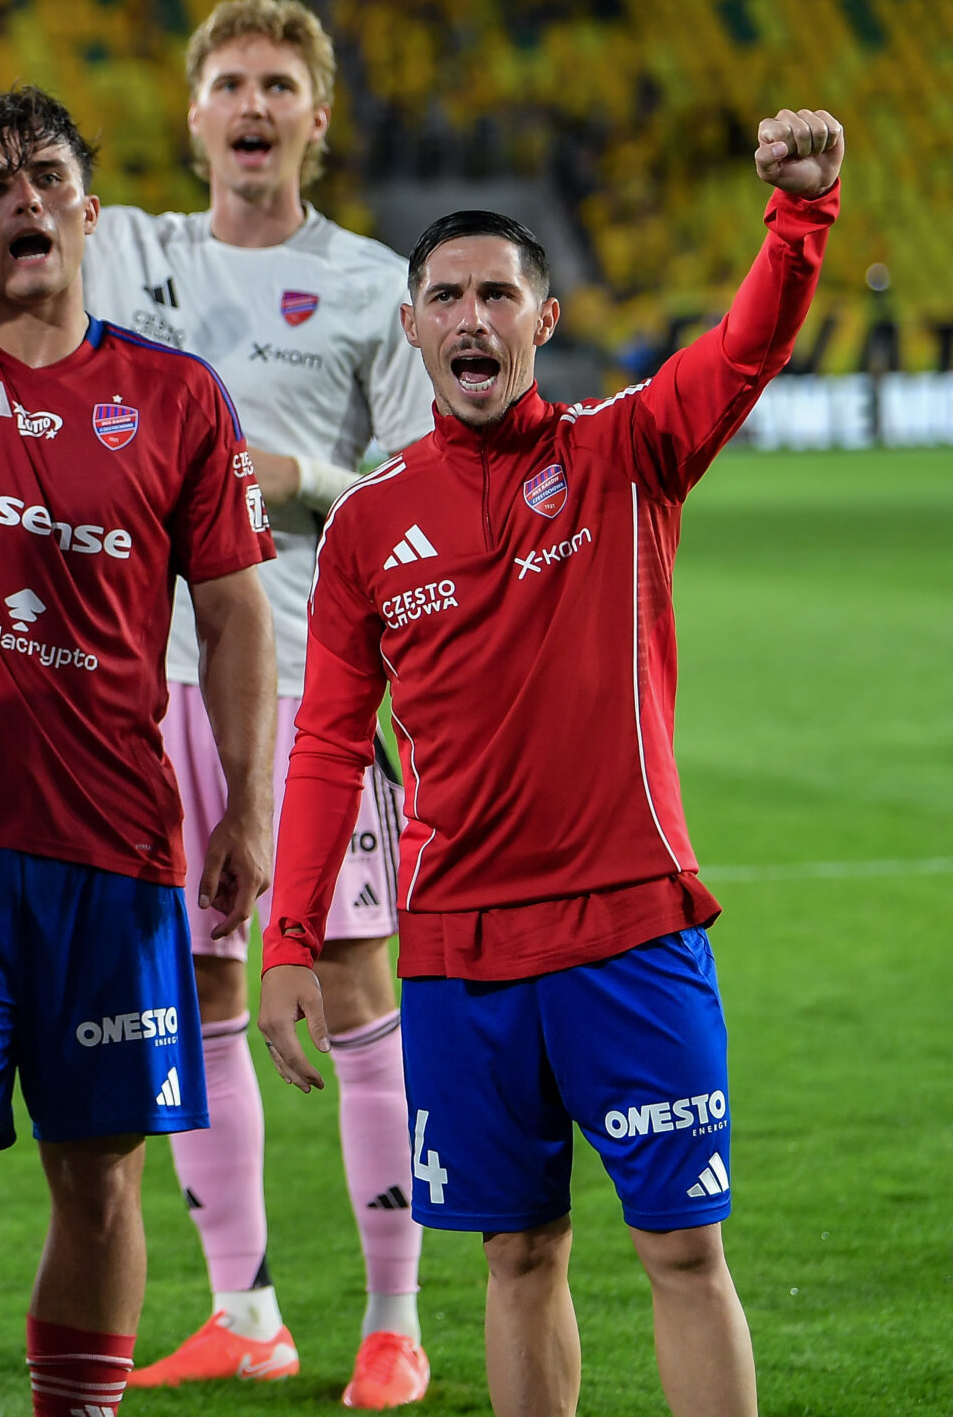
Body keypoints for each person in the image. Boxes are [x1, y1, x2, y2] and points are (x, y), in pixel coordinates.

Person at [262, 109, 844, 1417]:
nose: (473, 315)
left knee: (682, 1250)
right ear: (412, 327)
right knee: (517, 1252)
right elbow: (328, 738)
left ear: (542, 317)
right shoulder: (365, 526)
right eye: (447, 296)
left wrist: (799, 219)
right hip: (461, 954)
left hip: (629, 934)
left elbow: (747, 346)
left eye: (498, 294)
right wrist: (293, 930)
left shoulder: (625, 451)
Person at [0, 0, 279, 1417]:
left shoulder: (177, 399)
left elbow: (231, 623)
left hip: (113, 845)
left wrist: (251, 810)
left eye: (44, 176)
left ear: (88, 207)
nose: (20, 199)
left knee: (102, 1168)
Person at [0, 0, 426, 1403]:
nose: (251, 104)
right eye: (228, 80)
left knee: (349, 979)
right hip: (132, 686)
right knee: (204, 990)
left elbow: (422, 490)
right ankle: (246, 1306)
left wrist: (304, 482)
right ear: (191, 115)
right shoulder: (130, 249)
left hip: (299, 679)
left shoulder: (370, 279)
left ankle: (392, 1323)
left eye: (279, 82)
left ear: (317, 116)